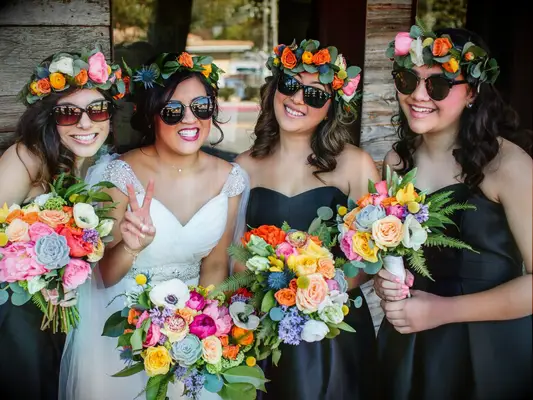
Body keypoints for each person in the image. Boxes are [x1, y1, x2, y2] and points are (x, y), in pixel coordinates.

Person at [59, 52, 249, 400]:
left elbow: (217, 263)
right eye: (173, 110)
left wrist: (200, 327)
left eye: (201, 107)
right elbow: (101, 276)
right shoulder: (116, 175)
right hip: (122, 326)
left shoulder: (231, 178)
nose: (189, 119)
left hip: (192, 326)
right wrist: (130, 247)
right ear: (152, 116)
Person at [375, 25, 532, 400]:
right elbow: (399, 257)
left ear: (473, 92)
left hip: (487, 352)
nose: (417, 95)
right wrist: (384, 282)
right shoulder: (396, 162)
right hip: (409, 346)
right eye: (407, 78)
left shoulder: (508, 166)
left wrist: (442, 312)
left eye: (439, 85)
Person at [236, 40, 379, 400]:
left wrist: (316, 294)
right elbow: (231, 253)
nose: (298, 99)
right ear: (274, 89)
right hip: (263, 329)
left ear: (331, 108)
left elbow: (372, 257)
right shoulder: (244, 166)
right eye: (290, 85)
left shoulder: (355, 164)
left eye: (315, 95)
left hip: (332, 331)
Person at [0, 48, 125, 400]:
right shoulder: (26, 158)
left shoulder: (98, 167)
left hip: (70, 317)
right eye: (69, 114)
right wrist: (35, 268)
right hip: (19, 318)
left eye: (97, 110)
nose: (86, 124)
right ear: (49, 118)